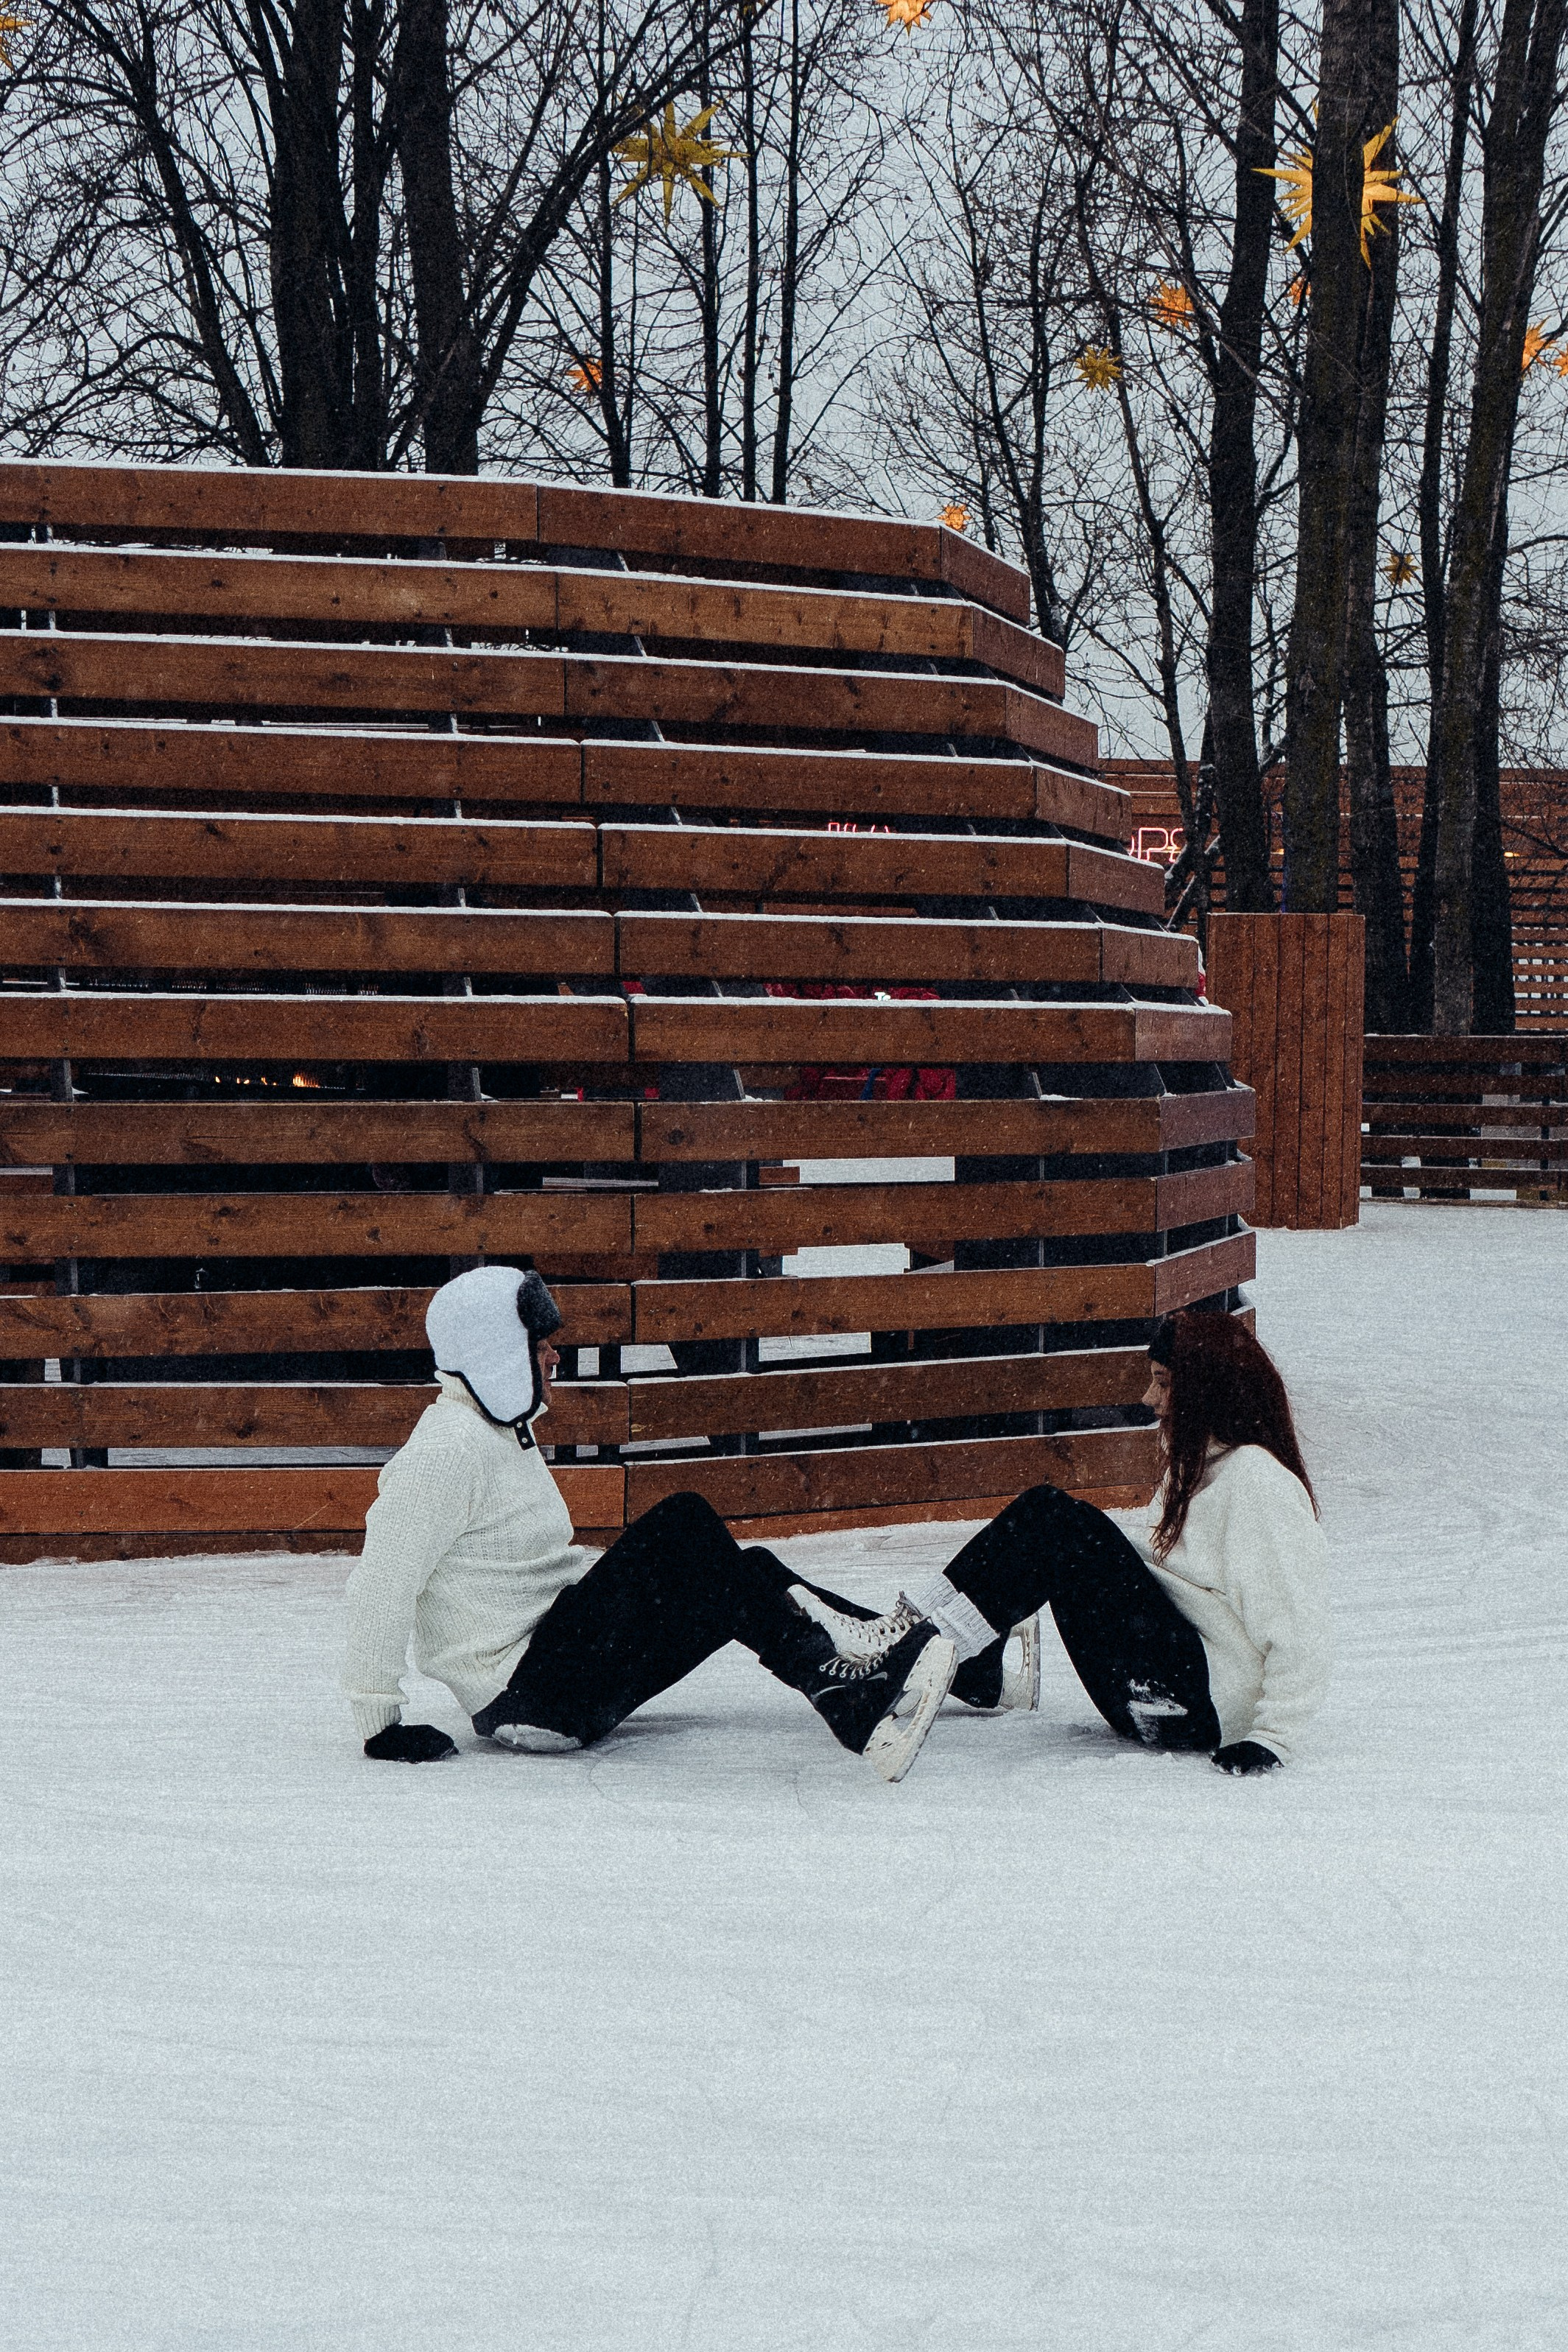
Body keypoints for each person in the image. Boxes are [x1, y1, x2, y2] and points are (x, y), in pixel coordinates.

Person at [342, 1263, 993, 1783]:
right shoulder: (442, 1452)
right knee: (684, 1522)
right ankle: (847, 1690)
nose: (554, 1359)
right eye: (540, 1346)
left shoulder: (498, 1432)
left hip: (561, 1667)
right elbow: (382, 1580)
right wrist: (380, 1721)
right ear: (494, 1354)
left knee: (743, 1573)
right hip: (529, 1694)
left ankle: (895, 1666)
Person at [820, 1310, 1332, 1774]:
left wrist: (1271, 1739)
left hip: (1194, 1707)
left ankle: (916, 1660)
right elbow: (1157, 1570)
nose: (1148, 1399)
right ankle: (917, 1638)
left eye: (1162, 1384)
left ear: (1205, 1391)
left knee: (1063, 1526)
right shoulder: (1196, 1469)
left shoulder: (1258, 1482)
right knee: (1047, 1511)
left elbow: (1298, 1626)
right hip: (1153, 1691)